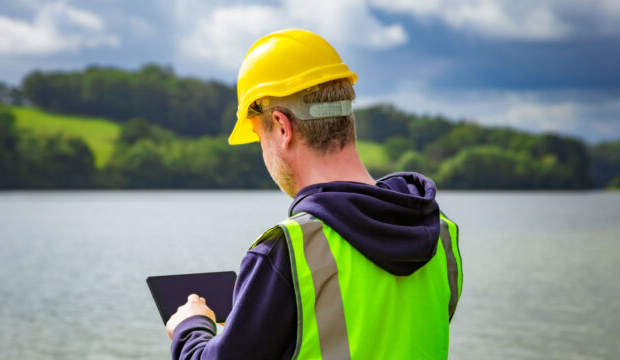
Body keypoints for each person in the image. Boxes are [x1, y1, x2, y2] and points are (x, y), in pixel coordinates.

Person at [166, 29, 463, 360]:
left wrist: (191, 329)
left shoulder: (287, 252)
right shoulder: (440, 234)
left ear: (281, 128)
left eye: (259, 138)